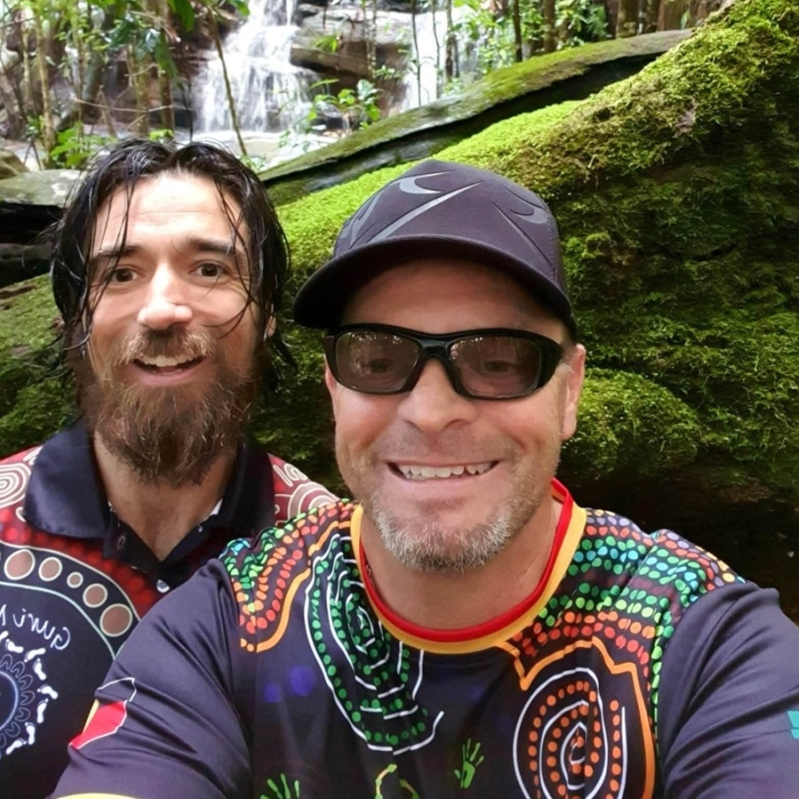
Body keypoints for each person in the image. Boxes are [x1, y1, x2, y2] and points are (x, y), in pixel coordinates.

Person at [53, 158, 799, 799]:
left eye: (498, 359)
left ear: (570, 392)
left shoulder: (703, 640)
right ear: (333, 392)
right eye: (379, 358)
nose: (433, 410)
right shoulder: (221, 627)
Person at [0, 138, 334, 799]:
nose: (162, 310)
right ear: (74, 317)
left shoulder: (331, 558)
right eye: (119, 274)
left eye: (209, 269)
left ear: (265, 312)